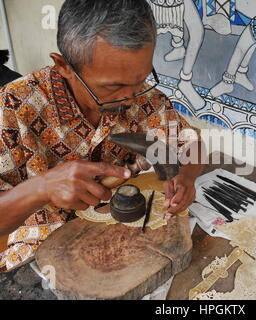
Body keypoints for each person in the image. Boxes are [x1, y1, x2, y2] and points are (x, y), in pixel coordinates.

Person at [0, 0, 203, 272]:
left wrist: (186, 176)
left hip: (123, 235)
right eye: (113, 86)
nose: (129, 98)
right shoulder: (13, 108)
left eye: (140, 79)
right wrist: (42, 187)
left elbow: (191, 142)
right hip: (40, 251)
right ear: (64, 66)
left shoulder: (141, 98)